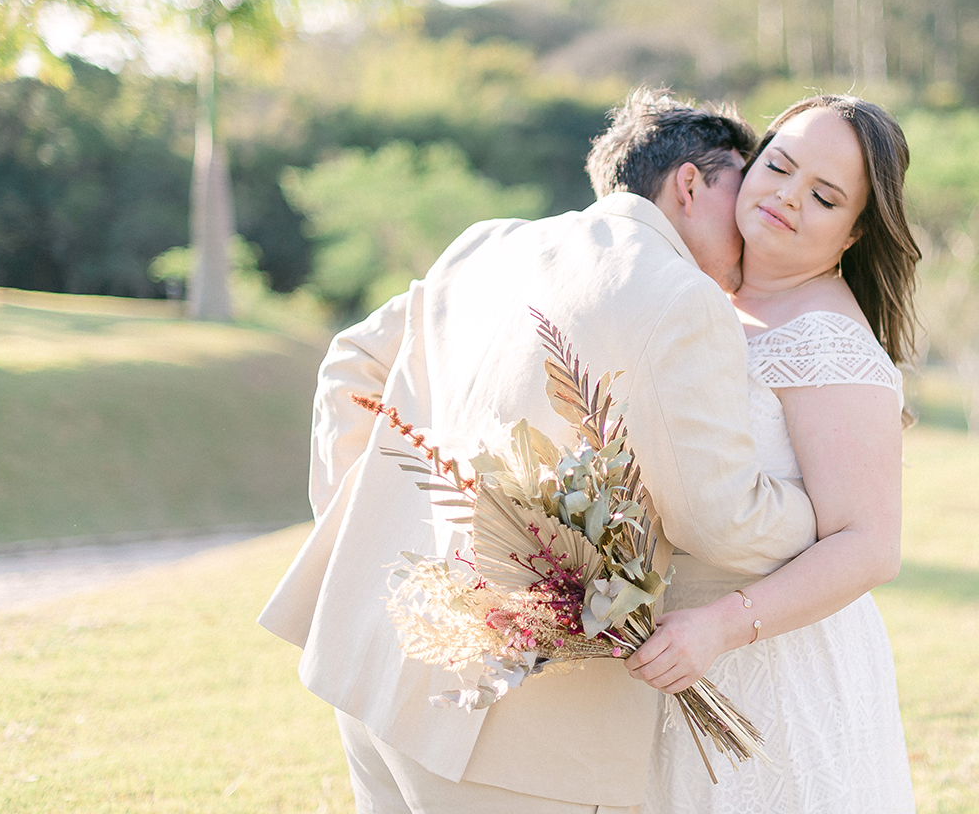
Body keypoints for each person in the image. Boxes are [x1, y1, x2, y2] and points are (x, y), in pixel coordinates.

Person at [258, 88, 820, 814]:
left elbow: (350, 367)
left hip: (371, 666)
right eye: (745, 187)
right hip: (509, 730)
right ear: (691, 182)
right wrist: (824, 516)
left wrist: (372, 526)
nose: (754, 223)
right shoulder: (680, 294)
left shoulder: (488, 243)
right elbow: (722, 521)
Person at [626, 95, 921, 813]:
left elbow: (870, 545)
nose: (787, 197)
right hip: (673, 653)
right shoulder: (712, 299)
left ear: (853, 235)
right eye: (779, 165)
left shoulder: (830, 344)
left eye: (823, 197)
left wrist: (720, 626)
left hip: (772, 664)